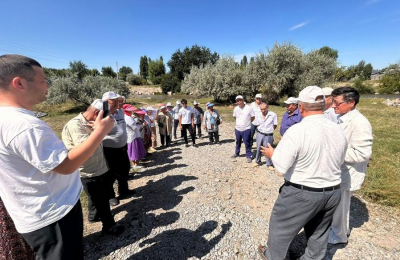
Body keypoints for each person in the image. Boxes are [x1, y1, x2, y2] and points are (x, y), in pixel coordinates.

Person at [0, 54, 114, 259]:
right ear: (19, 83)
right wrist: (100, 132)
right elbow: (66, 165)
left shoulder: (7, 119)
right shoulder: (24, 125)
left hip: (34, 212)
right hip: (53, 215)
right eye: (44, 80)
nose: (48, 86)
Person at [258, 86, 348, 260]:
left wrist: (272, 154)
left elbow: (280, 169)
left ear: (301, 107)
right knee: (319, 232)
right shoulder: (338, 130)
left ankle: (273, 256)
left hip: (302, 192)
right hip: (333, 191)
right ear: (324, 105)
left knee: (280, 228)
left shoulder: (297, 131)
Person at [62, 99, 124, 235]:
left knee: (96, 197)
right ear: (97, 114)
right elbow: (86, 152)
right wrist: (98, 130)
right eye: (105, 116)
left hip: (100, 167)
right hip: (89, 172)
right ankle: (109, 225)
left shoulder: (91, 123)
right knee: (101, 200)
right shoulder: (75, 126)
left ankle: (93, 216)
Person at [328, 86, 373, 245]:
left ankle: (339, 236)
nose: (334, 106)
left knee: (341, 206)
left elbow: (363, 153)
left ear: (351, 102)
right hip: (339, 171)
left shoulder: (360, 122)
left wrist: (334, 154)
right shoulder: (343, 118)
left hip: (347, 172)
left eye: (337, 103)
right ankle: (340, 229)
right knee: (338, 204)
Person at [102, 91, 133, 206]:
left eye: (118, 100)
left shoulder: (120, 112)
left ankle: (124, 190)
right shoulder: (103, 114)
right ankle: (110, 196)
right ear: (106, 102)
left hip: (122, 147)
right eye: (113, 100)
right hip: (109, 149)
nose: (117, 102)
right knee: (110, 174)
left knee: (124, 169)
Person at [252, 103, 278, 170]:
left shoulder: (273, 115)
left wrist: (270, 130)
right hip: (260, 133)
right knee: (258, 148)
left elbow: (275, 124)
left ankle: (269, 164)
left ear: (267, 108)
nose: (263, 111)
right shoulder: (258, 114)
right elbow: (256, 122)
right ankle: (257, 161)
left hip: (268, 134)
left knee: (268, 149)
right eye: (261, 109)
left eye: (264, 109)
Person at [232, 95, 255, 163]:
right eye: (237, 101)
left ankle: (248, 155)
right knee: (238, 142)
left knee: (247, 143)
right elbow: (235, 117)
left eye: (240, 100)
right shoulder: (236, 108)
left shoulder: (249, 108)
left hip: (246, 129)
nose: (239, 102)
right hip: (238, 129)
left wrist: (247, 122)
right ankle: (237, 153)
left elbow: (253, 117)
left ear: (243, 100)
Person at [123, 104, 146, 171]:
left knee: (134, 151)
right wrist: (140, 125)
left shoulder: (127, 117)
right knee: (134, 151)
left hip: (133, 136)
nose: (131, 112)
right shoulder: (128, 118)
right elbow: (135, 127)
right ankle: (135, 165)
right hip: (133, 136)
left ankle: (135, 165)